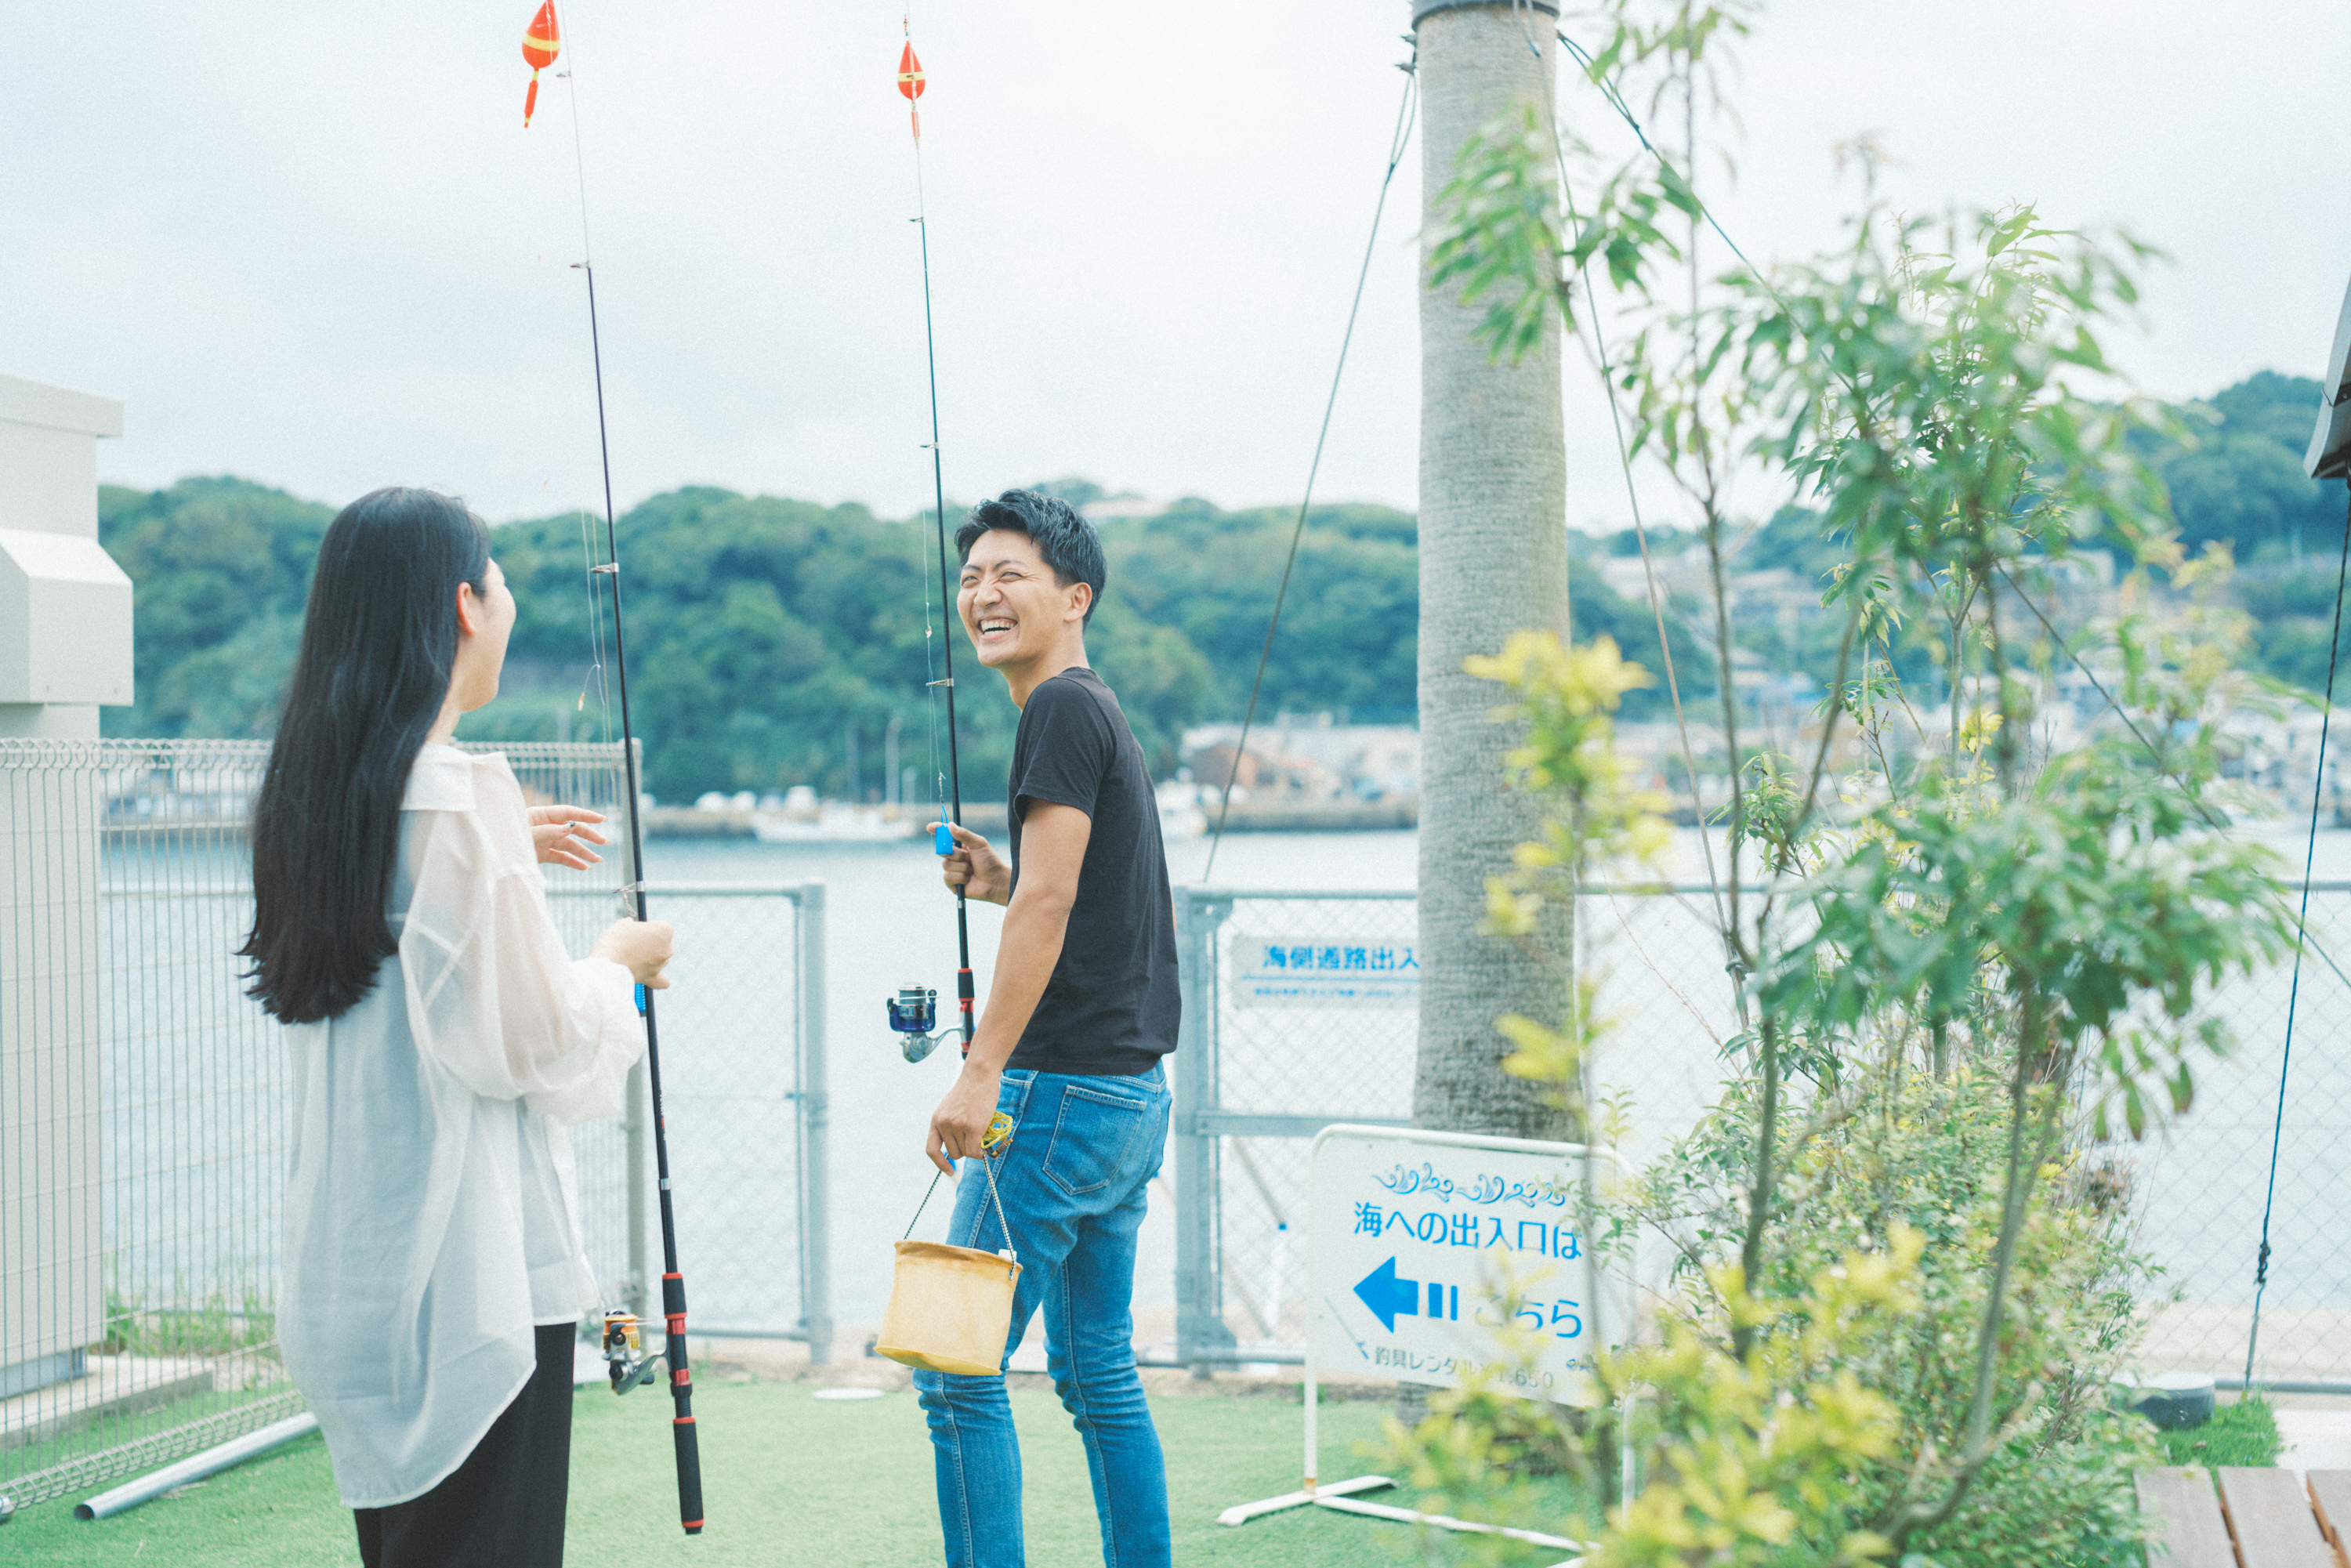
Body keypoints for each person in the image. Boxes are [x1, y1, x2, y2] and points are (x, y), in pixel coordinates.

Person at [241, 487, 672, 1568]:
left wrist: (498, 847)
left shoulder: (318, 795)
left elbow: (415, 952)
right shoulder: (451, 797)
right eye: (500, 576)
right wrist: (616, 965)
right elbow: (534, 1046)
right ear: (464, 607)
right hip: (472, 1290)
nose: (508, 600)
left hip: (353, 1279)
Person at [920, 489, 1179, 1568]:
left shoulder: (1058, 711)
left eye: (1010, 573)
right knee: (1094, 1369)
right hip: (1128, 1094)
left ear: (1076, 597)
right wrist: (1001, 884)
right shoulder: (1094, 707)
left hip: (1059, 1095)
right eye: (973, 575)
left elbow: (1054, 901)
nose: (984, 592)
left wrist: (979, 1073)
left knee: (955, 1365)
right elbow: (1065, 890)